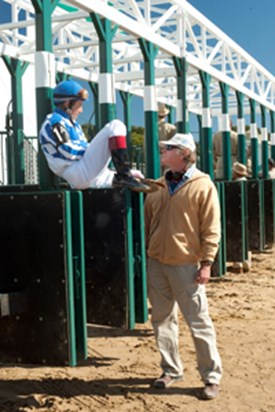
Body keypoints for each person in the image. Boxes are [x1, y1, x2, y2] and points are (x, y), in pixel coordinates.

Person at [144, 133, 222, 400]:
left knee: (198, 321)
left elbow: (211, 228)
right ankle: (170, 369)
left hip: (187, 265)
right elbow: (147, 223)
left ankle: (211, 377)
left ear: (183, 153)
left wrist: (207, 263)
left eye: (167, 148)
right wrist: (148, 253)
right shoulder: (157, 185)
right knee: (162, 319)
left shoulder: (203, 185)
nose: (162, 151)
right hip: (157, 263)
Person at [39, 79, 149, 192]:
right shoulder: (54, 121)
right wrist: (96, 148)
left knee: (129, 176)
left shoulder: (74, 125)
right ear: (67, 103)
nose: (81, 110)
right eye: (79, 105)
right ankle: (125, 175)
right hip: (75, 171)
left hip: (81, 174)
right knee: (116, 126)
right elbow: (67, 150)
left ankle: (123, 176)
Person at [232, 162, 252, 273]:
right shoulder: (248, 183)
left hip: (236, 217)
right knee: (246, 238)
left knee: (236, 238)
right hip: (248, 216)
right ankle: (246, 262)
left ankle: (237, 264)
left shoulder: (235, 184)